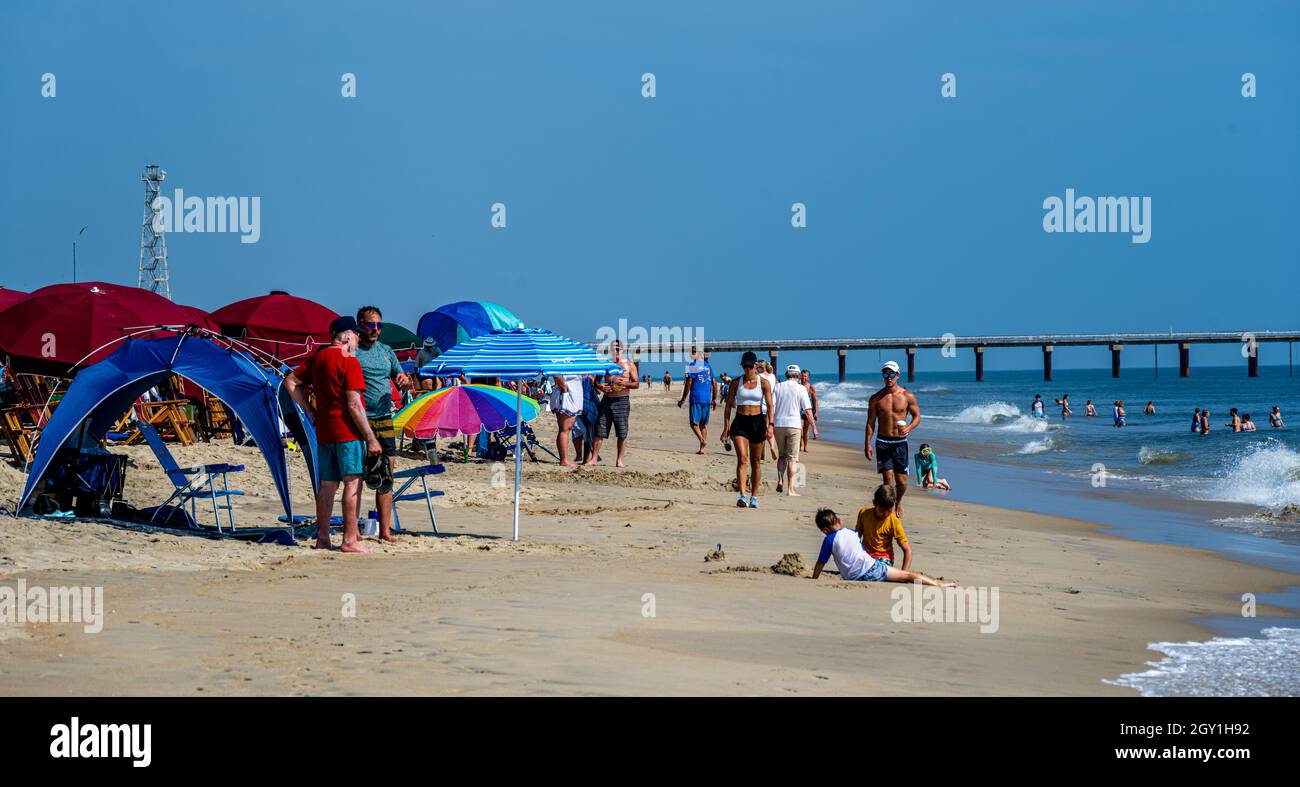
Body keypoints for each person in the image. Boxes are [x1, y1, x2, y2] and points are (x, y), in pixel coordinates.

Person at [284, 316, 379, 553]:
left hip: (324, 430)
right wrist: (370, 437)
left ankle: (323, 537)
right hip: (348, 431)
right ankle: (349, 539)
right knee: (352, 482)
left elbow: (291, 382)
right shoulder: (349, 361)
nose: (358, 340)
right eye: (356, 335)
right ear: (347, 337)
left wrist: (310, 411)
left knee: (327, 486)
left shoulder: (319, 357)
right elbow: (354, 404)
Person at [353, 306, 412, 543]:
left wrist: (404, 380)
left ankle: (385, 530)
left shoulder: (387, 351)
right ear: (360, 324)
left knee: (387, 474)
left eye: (379, 325)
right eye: (371, 325)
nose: (375, 329)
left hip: (385, 418)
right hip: (360, 419)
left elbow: (404, 381)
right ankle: (353, 529)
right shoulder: (353, 351)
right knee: (356, 474)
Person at [812, 509, 953, 586]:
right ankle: (936, 583)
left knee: (903, 578)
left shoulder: (829, 540)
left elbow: (820, 563)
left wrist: (814, 578)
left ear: (824, 530)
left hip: (854, 577)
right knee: (907, 576)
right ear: (839, 521)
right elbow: (861, 551)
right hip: (872, 568)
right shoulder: (852, 533)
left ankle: (935, 583)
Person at [865, 360, 921, 516]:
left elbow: (917, 416)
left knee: (902, 481)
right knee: (888, 480)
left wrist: (909, 427)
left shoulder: (907, 396)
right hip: (882, 442)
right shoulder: (876, 398)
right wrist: (867, 444)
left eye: (891, 374)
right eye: (885, 374)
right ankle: (889, 508)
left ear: (897, 375)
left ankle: (899, 500)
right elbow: (870, 422)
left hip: (900, 443)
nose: (888, 377)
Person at [721, 351, 773, 508]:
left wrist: (771, 425)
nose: (748, 369)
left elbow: (770, 406)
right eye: (745, 366)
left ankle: (754, 497)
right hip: (740, 422)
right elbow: (728, 406)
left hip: (758, 422)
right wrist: (726, 427)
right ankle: (743, 495)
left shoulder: (764, 383)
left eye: (751, 366)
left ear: (756, 366)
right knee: (742, 458)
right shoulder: (736, 383)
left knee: (755, 461)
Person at [586, 339, 639, 468]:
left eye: (617, 349)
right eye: (612, 349)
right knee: (600, 429)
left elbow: (636, 383)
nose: (615, 351)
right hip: (607, 400)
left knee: (622, 431)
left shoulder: (629, 365)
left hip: (622, 400)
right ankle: (593, 459)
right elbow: (596, 381)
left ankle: (619, 460)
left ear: (622, 350)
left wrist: (625, 383)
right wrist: (601, 387)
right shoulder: (606, 364)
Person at [771, 364, 815, 496]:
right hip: (794, 425)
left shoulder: (777, 387)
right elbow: (807, 410)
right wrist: (814, 426)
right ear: (798, 375)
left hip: (779, 424)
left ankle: (780, 480)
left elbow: (771, 406)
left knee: (782, 456)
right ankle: (790, 489)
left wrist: (770, 423)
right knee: (793, 459)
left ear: (786, 374)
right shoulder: (801, 388)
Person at [855, 485, 911, 568]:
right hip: (865, 555)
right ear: (874, 503)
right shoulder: (864, 513)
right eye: (882, 510)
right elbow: (856, 537)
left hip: (884, 558)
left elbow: (907, 550)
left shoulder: (894, 521)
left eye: (889, 511)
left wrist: (904, 572)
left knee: (873, 569)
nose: (885, 514)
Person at [677, 348, 717, 455]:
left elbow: (688, 383)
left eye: (693, 352)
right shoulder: (708, 366)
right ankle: (702, 449)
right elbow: (714, 383)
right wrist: (714, 399)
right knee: (703, 425)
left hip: (696, 398)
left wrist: (683, 399)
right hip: (707, 399)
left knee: (693, 423)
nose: (691, 354)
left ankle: (702, 440)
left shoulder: (693, 365)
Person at [550, 373, 583, 466]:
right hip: (566, 395)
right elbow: (555, 373)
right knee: (565, 429)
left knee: (566, 428)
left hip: (570, 395)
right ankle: (564, 460)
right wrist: (564, 387)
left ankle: (564, 459)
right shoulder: (561, 360)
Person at [758, 360, 780, 460]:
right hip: (772, 405)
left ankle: (761, 454)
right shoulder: (772, 376)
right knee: (770, 428)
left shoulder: (759, 376)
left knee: (761, 431)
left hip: (761, 405)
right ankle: (772, 446)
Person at [799, 369, 818, 453]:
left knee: (806, 430)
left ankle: (805, 446)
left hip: (809, 411)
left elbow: (815, 401)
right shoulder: (798, 386)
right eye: (802, 376)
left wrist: (816, 412)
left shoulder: (811, 388)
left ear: (808, 378)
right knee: (799, 428)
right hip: (799, 411)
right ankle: (800, 445)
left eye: (805, 376)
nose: (804, 378)